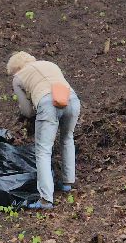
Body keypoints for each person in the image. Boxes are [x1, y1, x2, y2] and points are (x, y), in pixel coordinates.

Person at [6, 51, 81, 210]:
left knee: (43, 150)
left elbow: (27, 111)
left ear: (15, 68)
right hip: (72, 100)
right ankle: (68, 183)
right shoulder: (50, 64)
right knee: (67, 138)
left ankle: (46, 199)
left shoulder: (18, 78)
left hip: (48, 104)